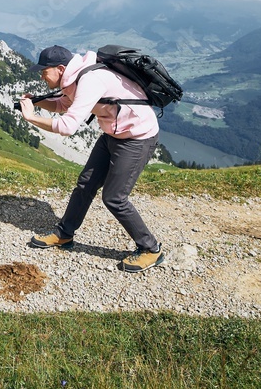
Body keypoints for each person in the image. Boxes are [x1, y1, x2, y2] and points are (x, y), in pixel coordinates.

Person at [18, 45, 164, 272]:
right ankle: (64, 234)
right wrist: (36, 102)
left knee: (115, 198)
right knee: (85, 184)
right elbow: (62, 105)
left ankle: (150, 249)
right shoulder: (73, 79)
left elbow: (68, 126)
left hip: (137, 138)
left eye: (43, 71)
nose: (41, 75)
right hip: (112, 134)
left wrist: (32, 117)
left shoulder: (90, 80)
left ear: (60, 68)